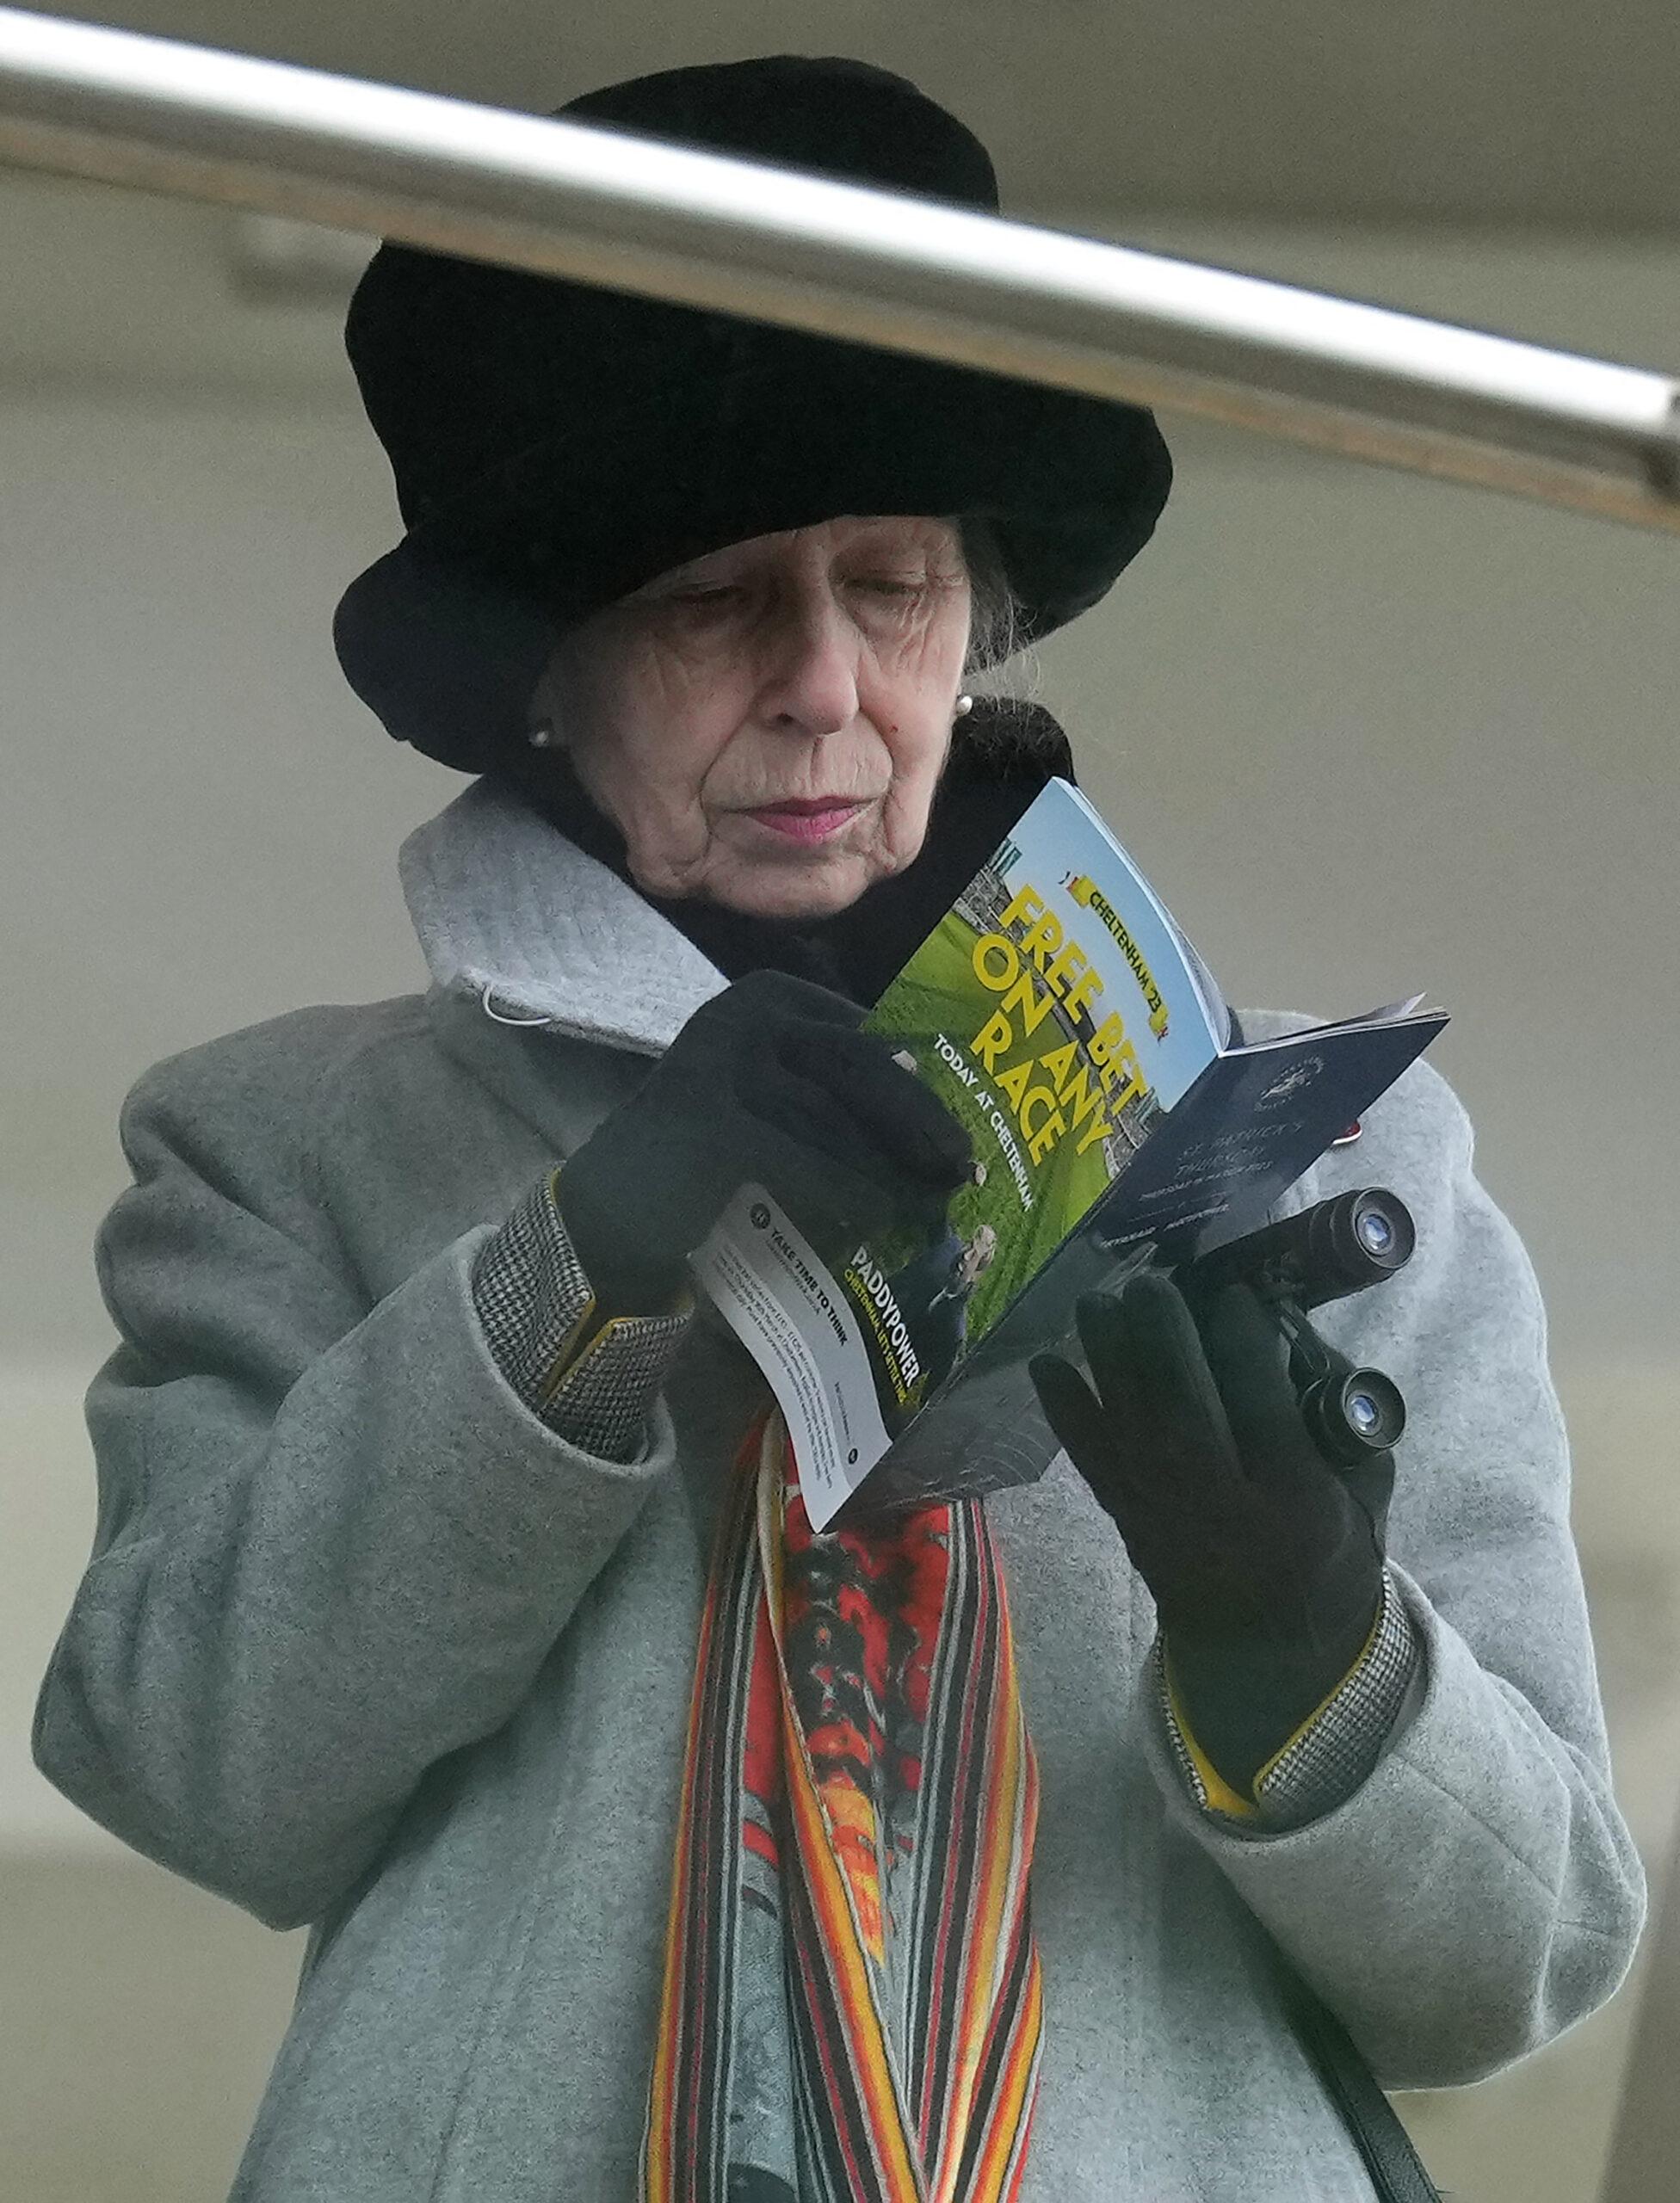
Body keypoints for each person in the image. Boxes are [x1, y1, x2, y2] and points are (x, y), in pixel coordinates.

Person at [33, 57, 1643, 2203]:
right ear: (540, 668)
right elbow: (192, 1766)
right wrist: (573, 1271)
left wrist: (1302, 1638)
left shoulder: (1343, 1159)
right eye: (711, 600)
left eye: (887, 581)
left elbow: (1518, 1966)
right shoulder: (279, 1142)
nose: (818, 683)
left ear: (977, 623)